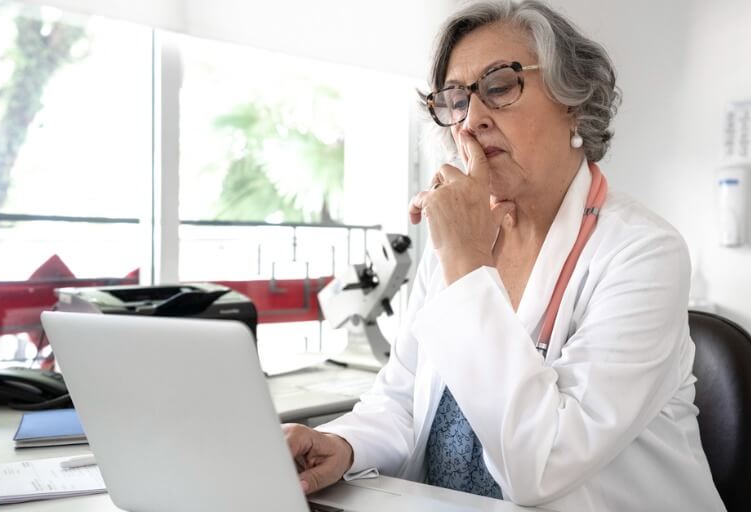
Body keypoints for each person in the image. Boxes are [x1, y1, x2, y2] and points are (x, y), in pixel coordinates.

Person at [283, 1, 726, 510]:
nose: (470, 121)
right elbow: (404, 399)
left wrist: (467, 260)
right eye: (454, 100)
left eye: (498, 87)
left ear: (574, 104)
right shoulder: (457, 247)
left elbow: (544, 465)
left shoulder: (643, 253)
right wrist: (343, 444)